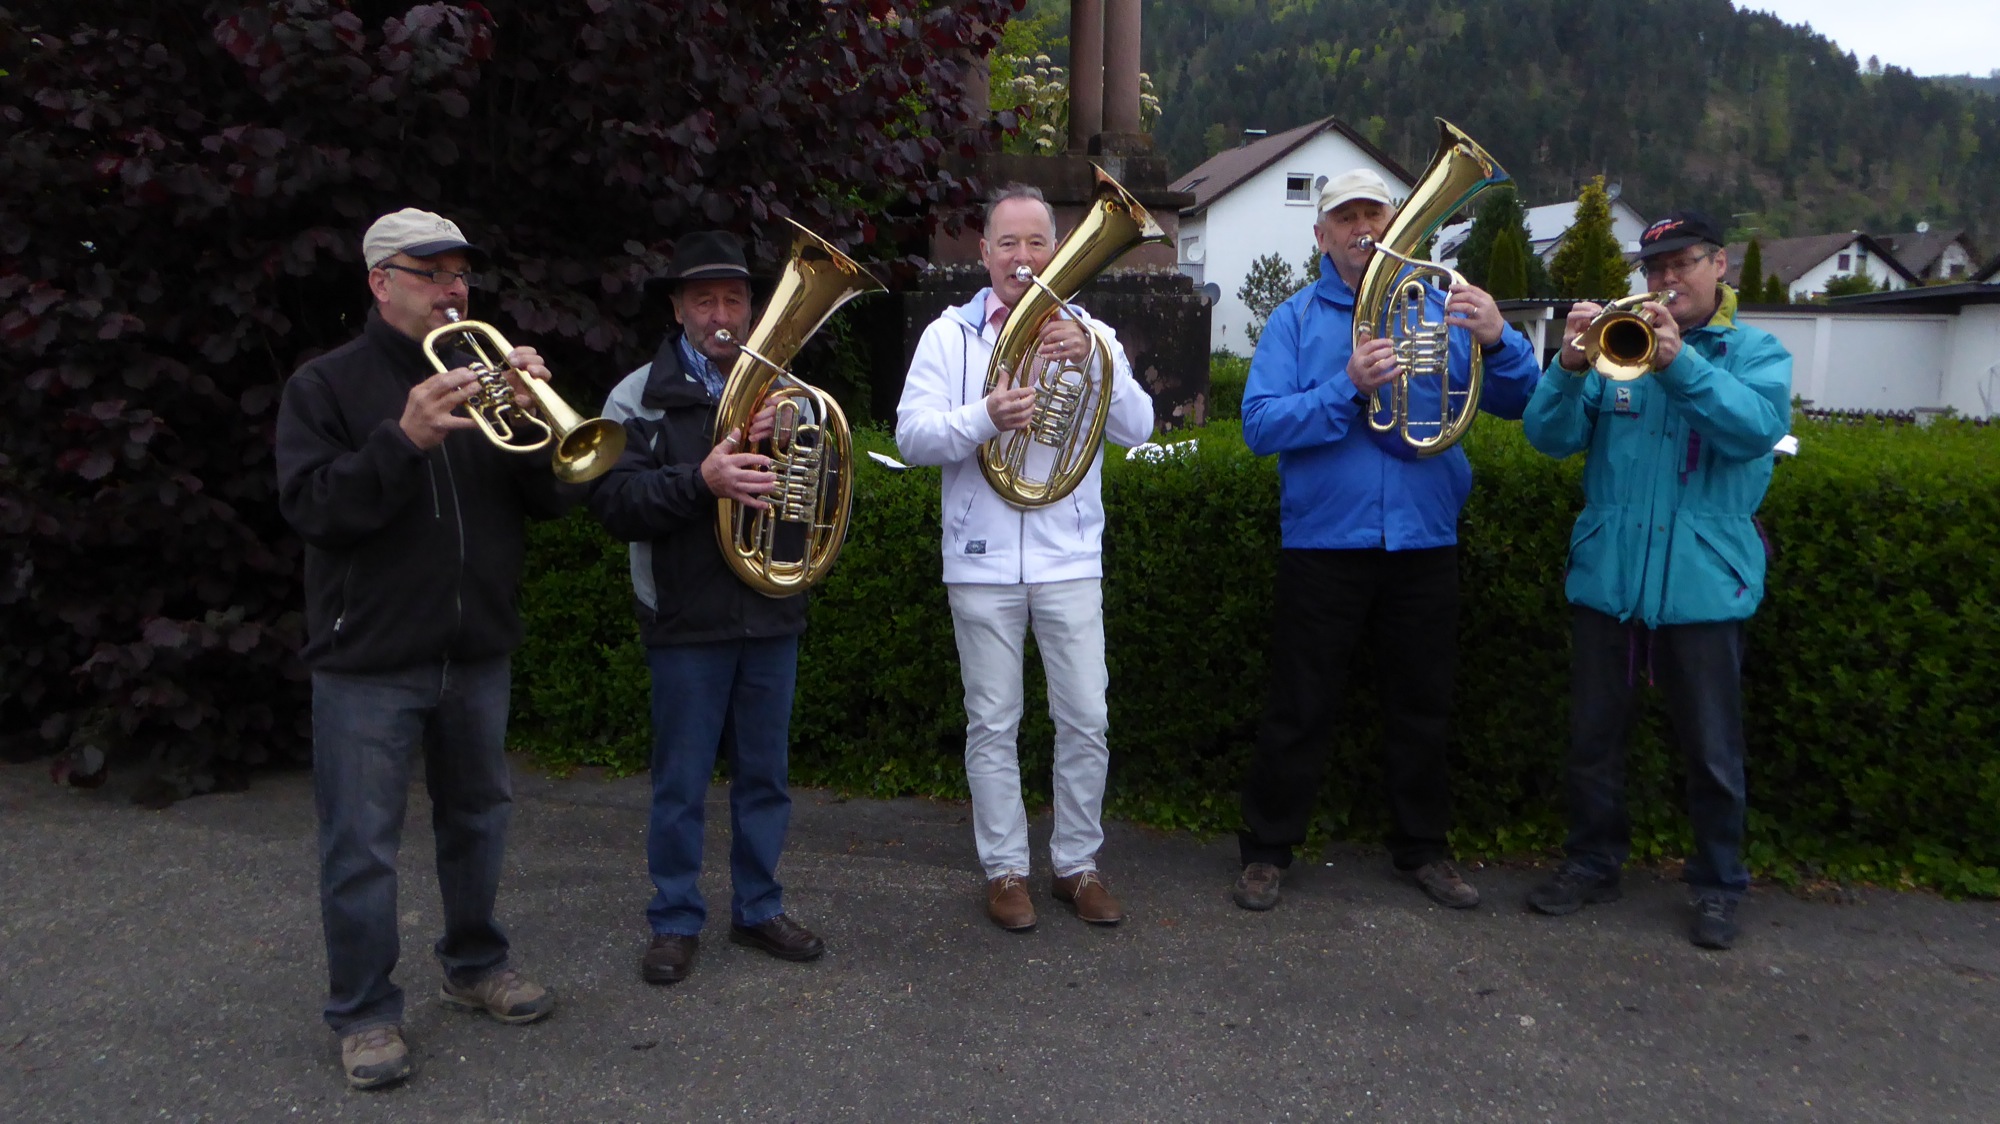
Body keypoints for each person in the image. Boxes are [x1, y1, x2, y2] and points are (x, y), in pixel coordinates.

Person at [275, 207, 572, 1090]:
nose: (453, 289)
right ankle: (365, 1011)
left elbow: (553, 504)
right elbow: (315, 509)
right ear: (381, 283)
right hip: (369, 658)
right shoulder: (325, 386)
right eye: (431, 272)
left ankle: (475, 964)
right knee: (362, 844)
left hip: (475, 647)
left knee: (479, 819)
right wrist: (400, 439)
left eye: (460, 274)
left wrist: (536, 422)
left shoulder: (487, 379)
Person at [1230, 168, 1542, 913]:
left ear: (1398, 222)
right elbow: (1260, 425)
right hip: (1323, 543)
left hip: (1423, 538)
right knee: (1300, 704)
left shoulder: (1440, 305)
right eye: (1346, 218)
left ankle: (1424, 850)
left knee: (1422, 704)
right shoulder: (1295, 320)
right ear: (1322, 235)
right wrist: (1346, 386)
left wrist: (1499, 339)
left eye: (1374, 213)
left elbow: (1522, 400)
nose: (1362, 228)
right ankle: (1267, 851)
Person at [1520, 210, 1793, 951]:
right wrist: (1567, 366)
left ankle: (1718, 884)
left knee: (1712, 750)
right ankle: (1592, 863)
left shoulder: (1756, 353)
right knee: (1594, 739)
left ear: (1719, 265)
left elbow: (1755, 430)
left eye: (1682, 263)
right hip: (1610, 576)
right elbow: (1548, 437)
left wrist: (1679, 365)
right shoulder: (1618, 344)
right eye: (1655, 268)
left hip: (1703, 583)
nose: (1667, 279)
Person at [895, 184, 1155, 932]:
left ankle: (1077, 866)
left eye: (1036, 242)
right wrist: (983, 418)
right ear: (984, 253)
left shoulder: (1090, 333)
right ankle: (1005, 870)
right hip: (980, 563)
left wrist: (1098, 361)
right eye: (1007, 243)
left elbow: (1138, 427)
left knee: (1087, 718)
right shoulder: (948, 337)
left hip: (1067, 558)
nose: (1022, 258)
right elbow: (912, 437)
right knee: (992, 724)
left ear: (1056, 250)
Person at [590, 230, 826, 985]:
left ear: (752, 308)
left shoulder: (787, 391)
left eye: (732, 299)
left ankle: (759, 907)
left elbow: (816, 497)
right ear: (677, 309)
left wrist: (783, 448)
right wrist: (702, 479)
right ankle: (674, 919)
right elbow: (615, 503)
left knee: (766, 778)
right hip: (685, 617)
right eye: (704, 301)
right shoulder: (636, 396)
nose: (721, 316)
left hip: (769, 609)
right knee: (681, 782)